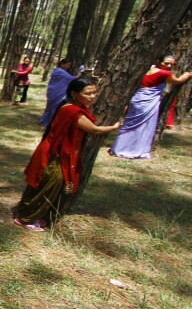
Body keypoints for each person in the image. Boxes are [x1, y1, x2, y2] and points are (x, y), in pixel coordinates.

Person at [13, 78, 121, 230]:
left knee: (46, 186)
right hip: (53, 154)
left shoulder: (75, 107)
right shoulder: (72, 110)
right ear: (74, 94)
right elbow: (94, 129)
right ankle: (26, 219)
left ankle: (29, 215)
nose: (92, 96)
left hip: (55, 152)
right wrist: (114, 126)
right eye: (88, 93)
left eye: (95, 92)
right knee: (47, 186)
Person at [109, 55, 192, 159]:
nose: (169, 66)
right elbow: (177, 81)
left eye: (172, 64)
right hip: (146, 103)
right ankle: (131, 149)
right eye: (166, 63)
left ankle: (120, 147)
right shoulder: (164, 73)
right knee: (142, 127)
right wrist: (187, 75)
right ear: (159, 62)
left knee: (129, 125)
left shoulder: (148, 69)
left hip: (137, 99)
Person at [39, 58, 77, 126]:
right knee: (53, 107)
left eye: (69, 66)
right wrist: (79, 76)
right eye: (67, 65)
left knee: (54, 107)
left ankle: (48, 121)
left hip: (56, 90)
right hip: (56, 91)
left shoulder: (61, 72)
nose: (69, 67)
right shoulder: (58, 71)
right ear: (62, 64)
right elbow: (71, 79)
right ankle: (49, 121)